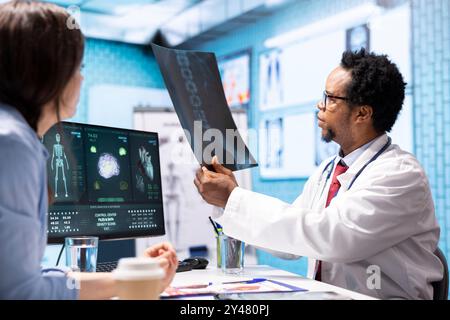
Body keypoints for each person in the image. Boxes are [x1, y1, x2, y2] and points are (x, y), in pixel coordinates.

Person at [194, 49, 444, 299]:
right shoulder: (329, 170)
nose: (320, 105)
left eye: (330, 98)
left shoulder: (399, 175)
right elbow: (289, 243)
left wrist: (234, 198)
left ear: (362, 114)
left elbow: (331, 236)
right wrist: (229, 201)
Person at [0, 0, 178, 299]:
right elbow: (19, 292)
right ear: (47, 71)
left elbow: (20, 277)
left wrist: (130, 276)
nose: (81, 77)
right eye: (77, 67)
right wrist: (127, 283)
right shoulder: (13, 145)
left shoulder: (16, 137)